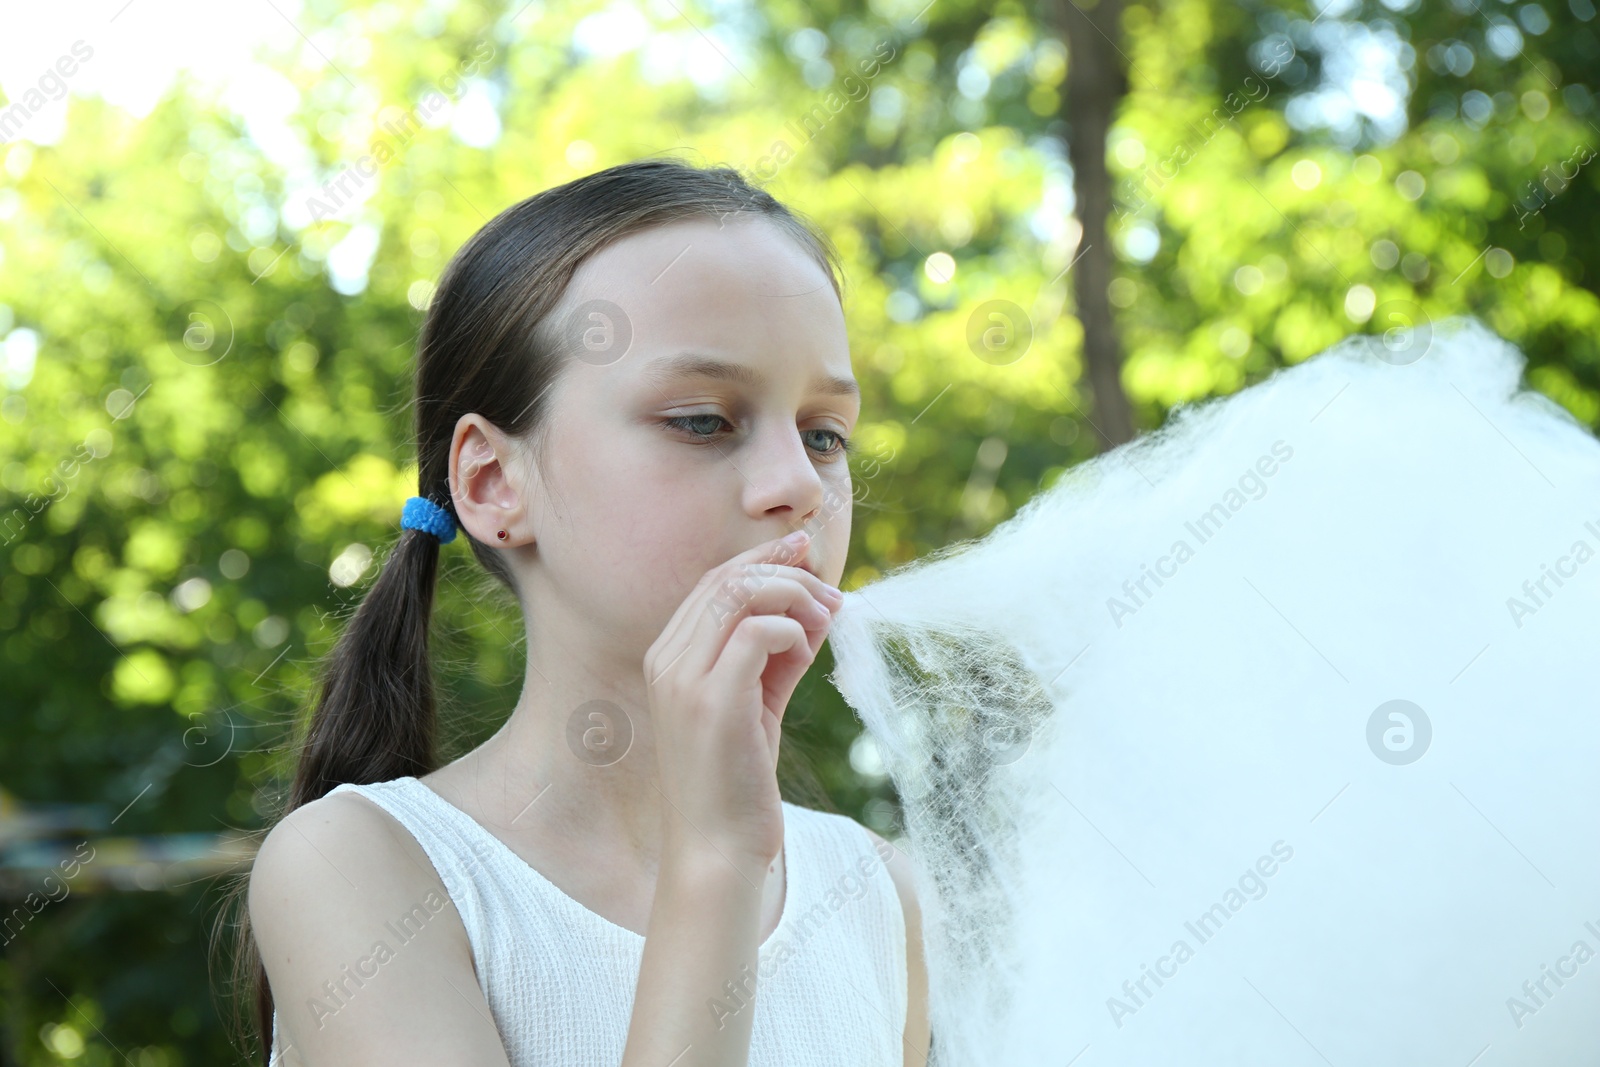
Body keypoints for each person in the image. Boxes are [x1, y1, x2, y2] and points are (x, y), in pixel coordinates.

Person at [239, 156, 930, 1067]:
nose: (800, 486)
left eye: (824, 434)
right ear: (492, 481)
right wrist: (716, 859)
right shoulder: (358, 870)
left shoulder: (883, 895)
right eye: (700, 420)